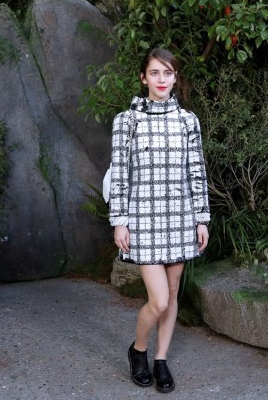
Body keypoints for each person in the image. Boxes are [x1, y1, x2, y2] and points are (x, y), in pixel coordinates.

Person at [108, 48, 210, 393]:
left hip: (181, 217)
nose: (162, 80)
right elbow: (120, 173)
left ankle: (161, 359)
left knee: (173, 293)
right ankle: (139, 350)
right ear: (143, 78)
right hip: (143, 219)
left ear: (175, 77)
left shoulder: (188, 121)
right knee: (159, 299)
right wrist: (119, 220)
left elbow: (196, 172)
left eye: (168, 73)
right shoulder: (127, 121)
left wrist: (201, 218)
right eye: (155, 73)